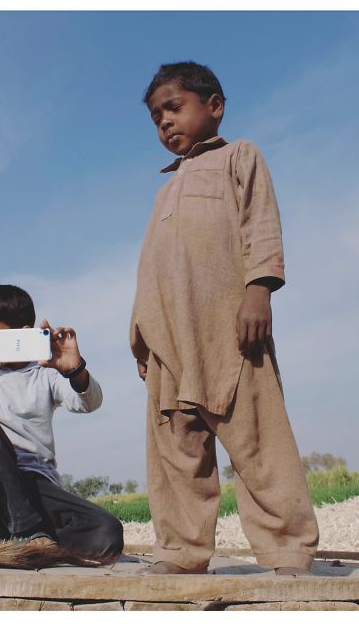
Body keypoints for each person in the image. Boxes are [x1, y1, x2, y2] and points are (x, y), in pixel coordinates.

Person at [129, 61, 319, 575]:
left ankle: (287, 549)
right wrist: (141, 340)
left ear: (213, 105)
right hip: (169, 341)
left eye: (174, 107)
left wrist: (259, 290)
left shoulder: (240, 157)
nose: (165, 122)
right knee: (176, 453)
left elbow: (262, 222)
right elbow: (150, 268)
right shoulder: (163, 190)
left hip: (228, 329)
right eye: (155, 117)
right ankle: (181, 552)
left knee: (259, 441)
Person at [0, 284, 123, 564]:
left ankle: (3, 540)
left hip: (39, 491)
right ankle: (29, 532)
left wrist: (74, 370)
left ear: (24, 332)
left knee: (108, 534)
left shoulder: (45, 374)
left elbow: (89, 402)